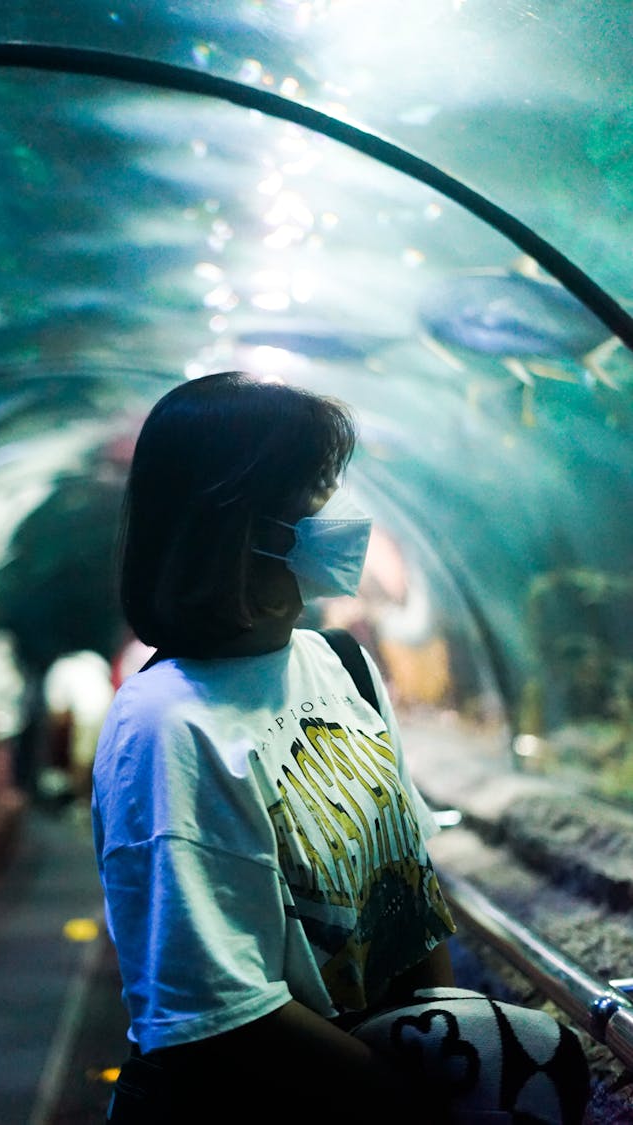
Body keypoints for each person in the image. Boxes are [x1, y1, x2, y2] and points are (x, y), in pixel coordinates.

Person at [92, 371, 588, 1124]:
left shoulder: (340, 663)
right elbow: (216, 1016)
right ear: (240, 526)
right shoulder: (168, 728)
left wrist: (453, 1042)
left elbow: (411, 891)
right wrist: (416, 1104)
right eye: (314, 493)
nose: (341, 512)